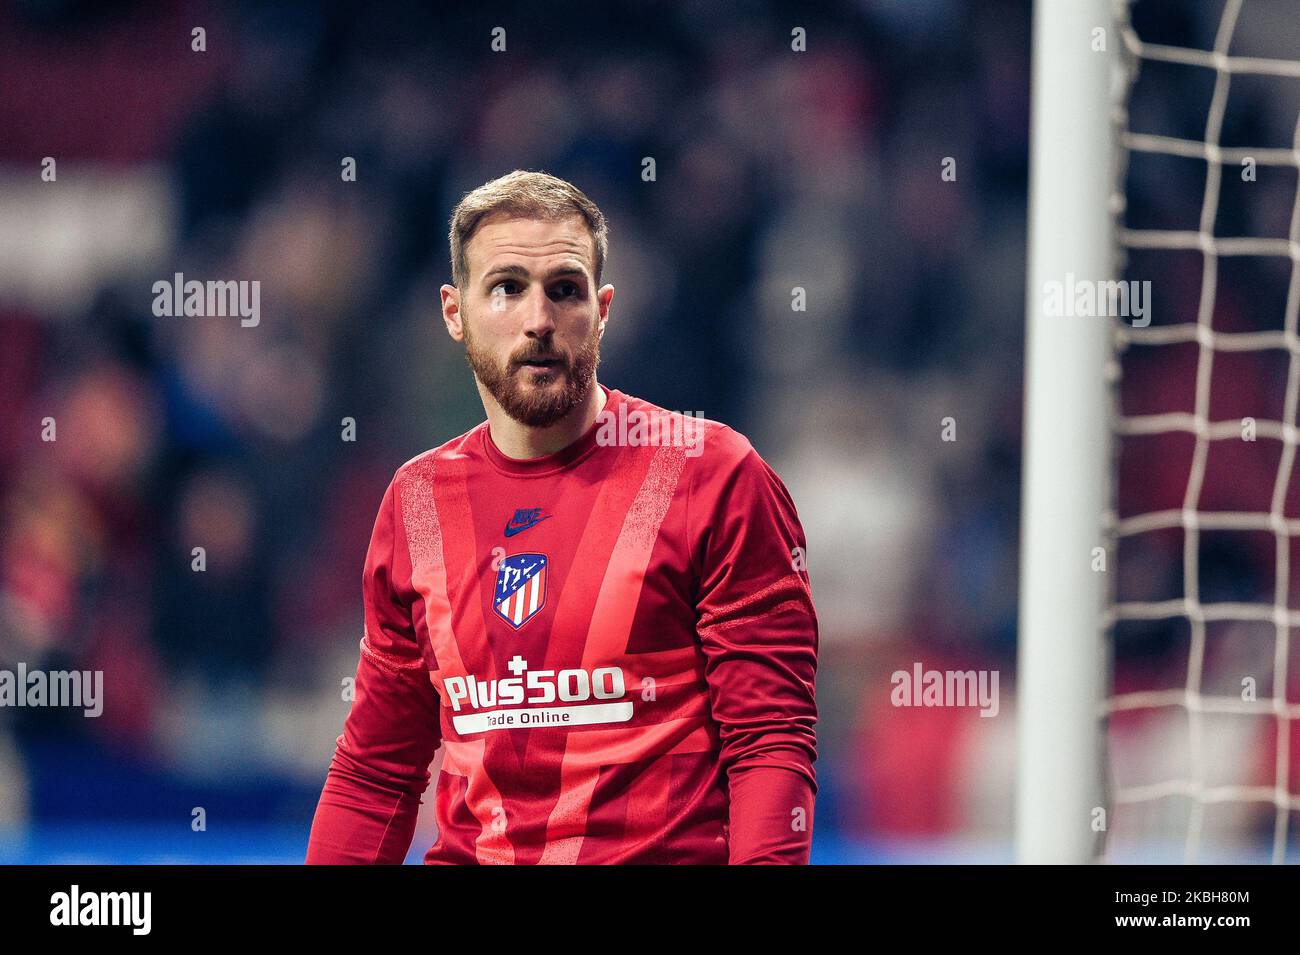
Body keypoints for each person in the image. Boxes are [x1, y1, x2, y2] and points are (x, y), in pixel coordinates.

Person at [306, 169, 819, 864]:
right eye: (507, 287)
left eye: (565, 289)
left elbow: (770, 741)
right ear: (455, 312)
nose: (538, 319)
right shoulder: (415, 499)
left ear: (602, 309)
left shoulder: (715, 475)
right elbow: (376, 772)